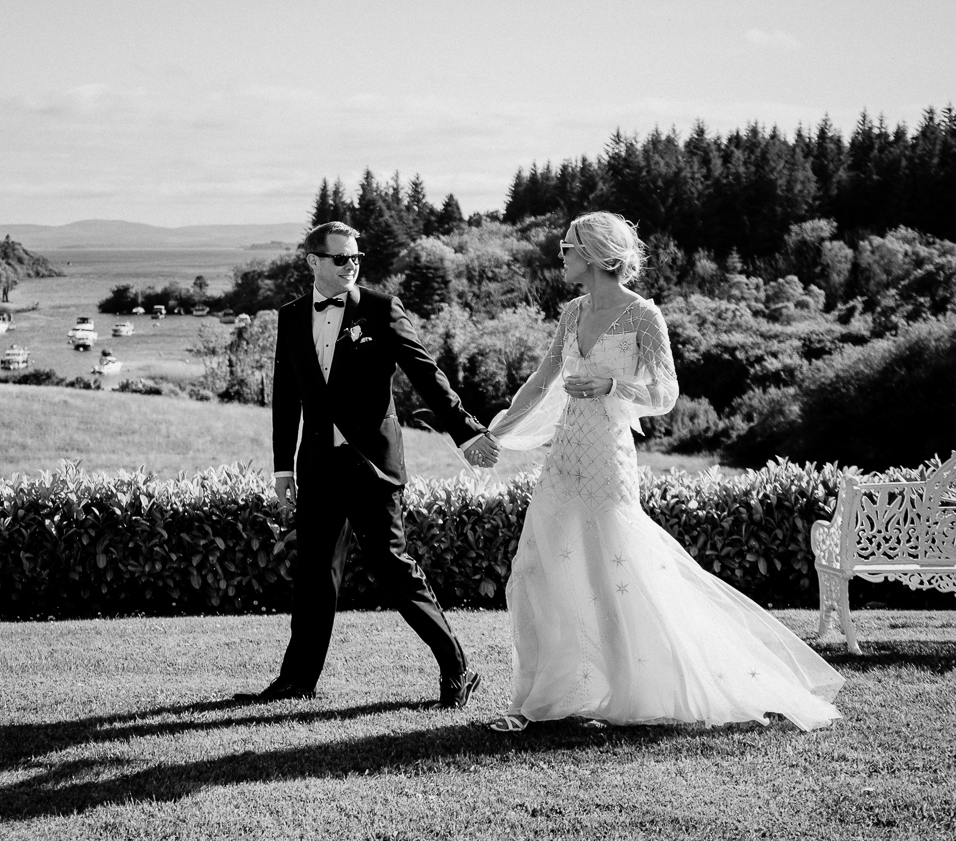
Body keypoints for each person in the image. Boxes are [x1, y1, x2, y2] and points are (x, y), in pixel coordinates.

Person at [482, 212, 843, 732]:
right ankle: (541, 697)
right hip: (565, 453)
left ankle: (621, 690)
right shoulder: (572, 311)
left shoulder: (643, 316)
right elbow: (542, 381)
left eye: (566, 248)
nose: (559, 256)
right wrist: (496, 431)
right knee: (540, 564)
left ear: (594, 253)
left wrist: (612, 388)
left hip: (608, 454)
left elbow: (665, 395)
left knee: (614, 569)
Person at [238, 222, 501, 707]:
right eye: (341, 258)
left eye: (356, 258)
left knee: (395, 572)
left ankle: (457, 669)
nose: (351, 265)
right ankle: (297, 681)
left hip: (372, 468)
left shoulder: (380, 310)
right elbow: (284, 400)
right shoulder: (291, 317)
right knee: (315, 575)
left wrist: (466, 431)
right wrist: (283, 469)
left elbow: (426, 373)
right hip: (317, 466)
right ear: (314, 261)